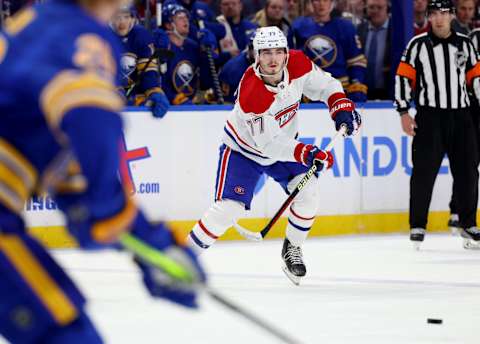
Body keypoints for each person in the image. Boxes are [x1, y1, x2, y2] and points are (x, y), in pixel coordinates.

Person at [0, 0, 205, 342]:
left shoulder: (33, 25)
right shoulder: (82, 35)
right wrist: (116, 219)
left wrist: (150, 243)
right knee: (65, 330)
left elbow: (75, 186)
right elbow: (89, 120)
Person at [187, 26, 361, 285]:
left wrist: (340, 106)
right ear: (256, 56)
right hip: (243, 151)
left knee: (308, 192)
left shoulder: (299, 62)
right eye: (266, 52)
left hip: (284, 147)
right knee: (226, 210)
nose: (273, 59)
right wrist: (306, 152)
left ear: (285, 52)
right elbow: (268, 144)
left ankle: (292, 248)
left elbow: (326, 85)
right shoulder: (251, 92)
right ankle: (181, 258)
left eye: (278, 51)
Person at [395, 0, 480, 250]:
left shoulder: (465, 44)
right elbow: (403, 77)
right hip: (430, 117)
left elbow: (476, 78)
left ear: (452, 16)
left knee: (467, 172)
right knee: (423, 172)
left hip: (462, 117)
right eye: (434, 14)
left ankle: (468, 222)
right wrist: (403, 111)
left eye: (444, 13)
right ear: (429, 17)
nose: (439, 18)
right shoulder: (417, 45)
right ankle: (417, 225)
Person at [291, 0, 368, 104]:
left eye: (326, 0)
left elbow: (356, 61)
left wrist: (356, 83)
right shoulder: (298, 27)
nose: (321, 4)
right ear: (311, 3)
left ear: (332, 3)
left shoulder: (346, 27)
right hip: (309, 92)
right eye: (317, 1)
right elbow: (291, 61)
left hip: (340, 89)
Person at [111, 5, 170, 118]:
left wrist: (154, 91)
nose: (122, 22)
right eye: (117, 17)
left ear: (133, 19)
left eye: (126, 17)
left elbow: (148, 70)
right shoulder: (103, 35)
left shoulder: (141, 35)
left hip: (133, 94)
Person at [153, 2, 218, 104]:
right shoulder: (163, 46)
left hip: (191, 102)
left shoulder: (193, 46)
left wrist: (208, 53)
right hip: (170, 106)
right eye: (179, 17)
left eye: (186, 17)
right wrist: (174, 98)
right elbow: (159, 82)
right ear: (169, 25)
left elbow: (206, 81)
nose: (185, 20)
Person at [357, 0, 393, 100]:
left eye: (380, 7)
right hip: (363, 91)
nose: (375, 11)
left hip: (389, 91)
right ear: (366, 9)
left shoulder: (396, 30)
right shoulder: (359, 30)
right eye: (371, 7)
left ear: (388, 8)